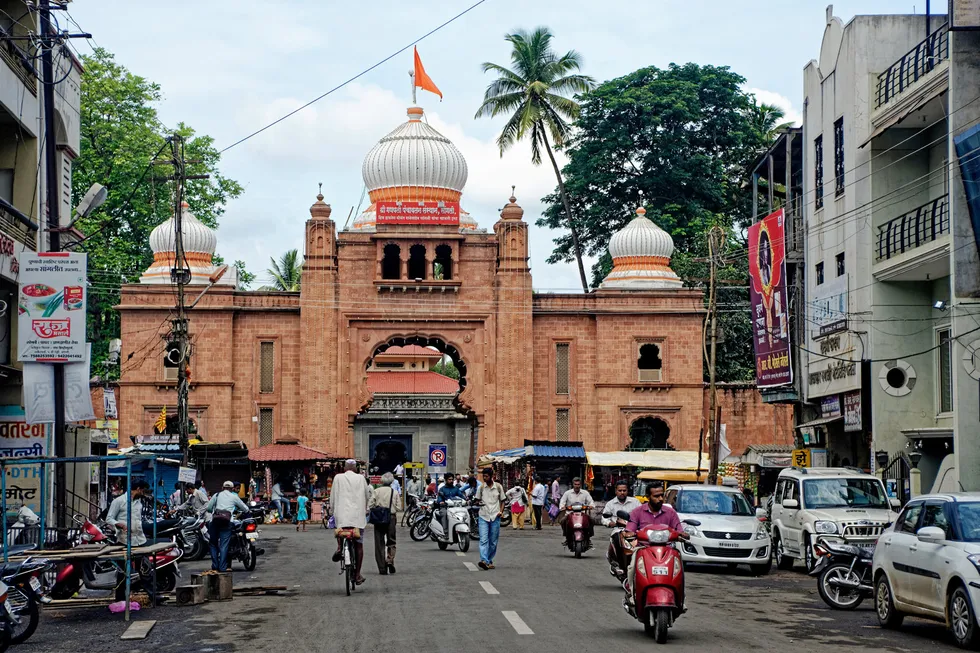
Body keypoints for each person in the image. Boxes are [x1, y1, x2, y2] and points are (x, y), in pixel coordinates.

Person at [624, 484, 689, 612]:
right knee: (632, 567)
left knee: (679, 570)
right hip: (643, 548)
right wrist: (629, 533)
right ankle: (632, 595)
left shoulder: (670, 512)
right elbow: (630, 528)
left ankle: (681, 599)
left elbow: (679, 529)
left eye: (661, 495)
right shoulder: (637, 512)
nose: (660, 499)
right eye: (656, 496)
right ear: (648, 497)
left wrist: (682, 534)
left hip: (667, 549)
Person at [330, 460, 373, 585]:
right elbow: (366, 496)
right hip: (357, 518)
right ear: (355, 469)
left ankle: (339, 548)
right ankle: (357, 574)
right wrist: (366, 509)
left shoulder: (338, 478)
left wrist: (332, 511)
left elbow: (333, 497)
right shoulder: (361, 478)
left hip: (342, 516)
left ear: (344, 468)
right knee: (358, 545)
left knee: (341, 531)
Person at [204, 480, 250, 572]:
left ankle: (215, 565)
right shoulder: (234, 496)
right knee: (224, 545)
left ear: (222, 488)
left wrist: (213, 511)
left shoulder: (216, 495)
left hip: (215, 522)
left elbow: (208, 508)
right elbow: (245, 509)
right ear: (232, 489)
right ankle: (222, 567)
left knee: (213, 543)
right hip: (227, 522)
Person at [368, 472, 401, 575]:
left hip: (378, 519)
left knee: (379, 543)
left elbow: (370, 505)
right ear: (392, 482)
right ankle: (390, 560)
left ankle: (382, 568)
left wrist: (379, 507)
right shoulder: (394, 492)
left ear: (381, 481)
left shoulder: (376, 491)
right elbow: (399, 507)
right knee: (391, 541)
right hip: (391, 518)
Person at [475, 467, 504, 570]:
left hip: (495, 517)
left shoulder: (499, 487)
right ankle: (484, 560)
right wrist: (478, 503)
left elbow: (503, 500)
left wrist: (501, 511)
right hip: (483, 516)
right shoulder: (481, 488)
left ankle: (489, 560)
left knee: (493, 541)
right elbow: (477, 500)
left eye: (486, 476)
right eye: (484, 476)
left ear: (492, 476)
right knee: (483, 539)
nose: (484, 478)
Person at [106, 482, 146, 546]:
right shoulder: (118, 501)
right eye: (142, 491)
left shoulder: (139, 502)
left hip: (140, 540)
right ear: (138, 489)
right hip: (124, 540)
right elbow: (109, 519)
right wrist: (120, 525)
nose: (142, 494)